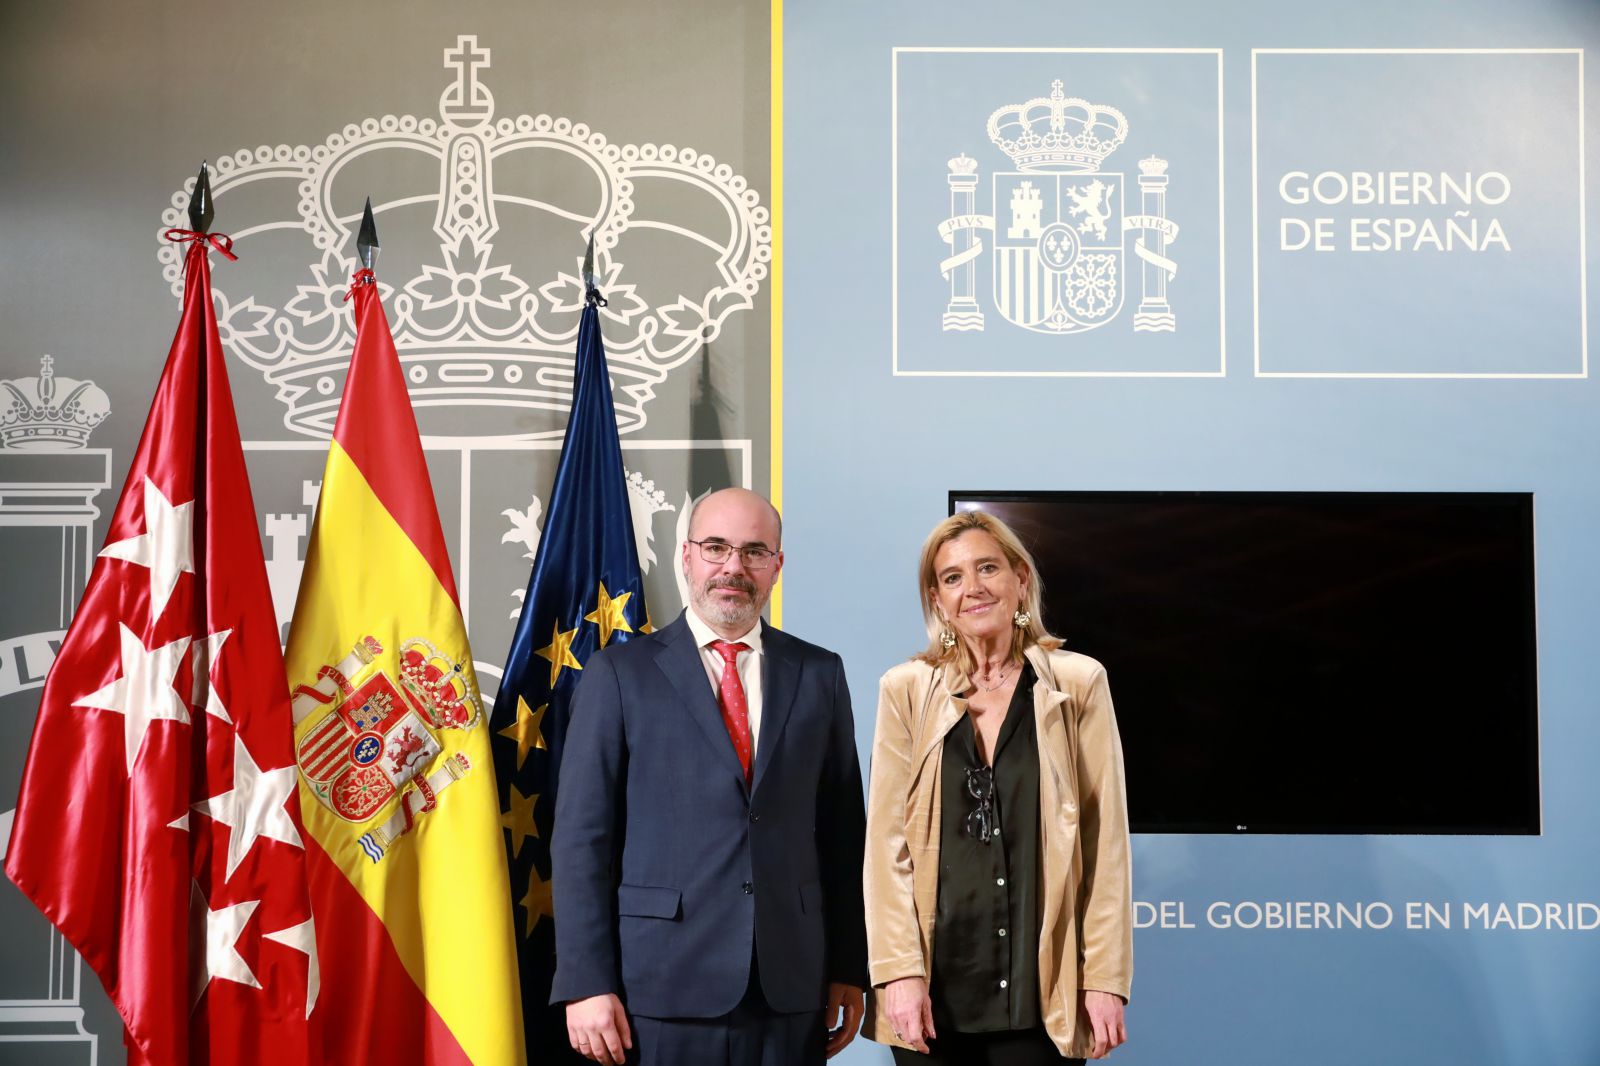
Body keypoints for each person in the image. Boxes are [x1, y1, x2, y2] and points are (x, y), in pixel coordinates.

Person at [551, 487, 868, 1066]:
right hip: (659, 988)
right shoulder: (619, 674)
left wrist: (849, 965)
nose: (733, 567)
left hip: (791, 987)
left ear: (777, 565)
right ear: (686, 556)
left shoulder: (819, 672)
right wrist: (585, 981)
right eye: (716, 547)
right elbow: (581, 840)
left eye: (754, 551)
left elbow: (845, 835)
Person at [863, 510, 1132, 1064]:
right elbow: (886, 850)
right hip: (932, 994)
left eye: (988, 568)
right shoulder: (905, 690)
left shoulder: (1078, 683)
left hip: (1042, 994)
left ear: (1020, 580)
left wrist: (1103, 978)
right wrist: (898, 973)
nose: (973, 588)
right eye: (952, 577)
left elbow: (1104, 844)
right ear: (937, 600)